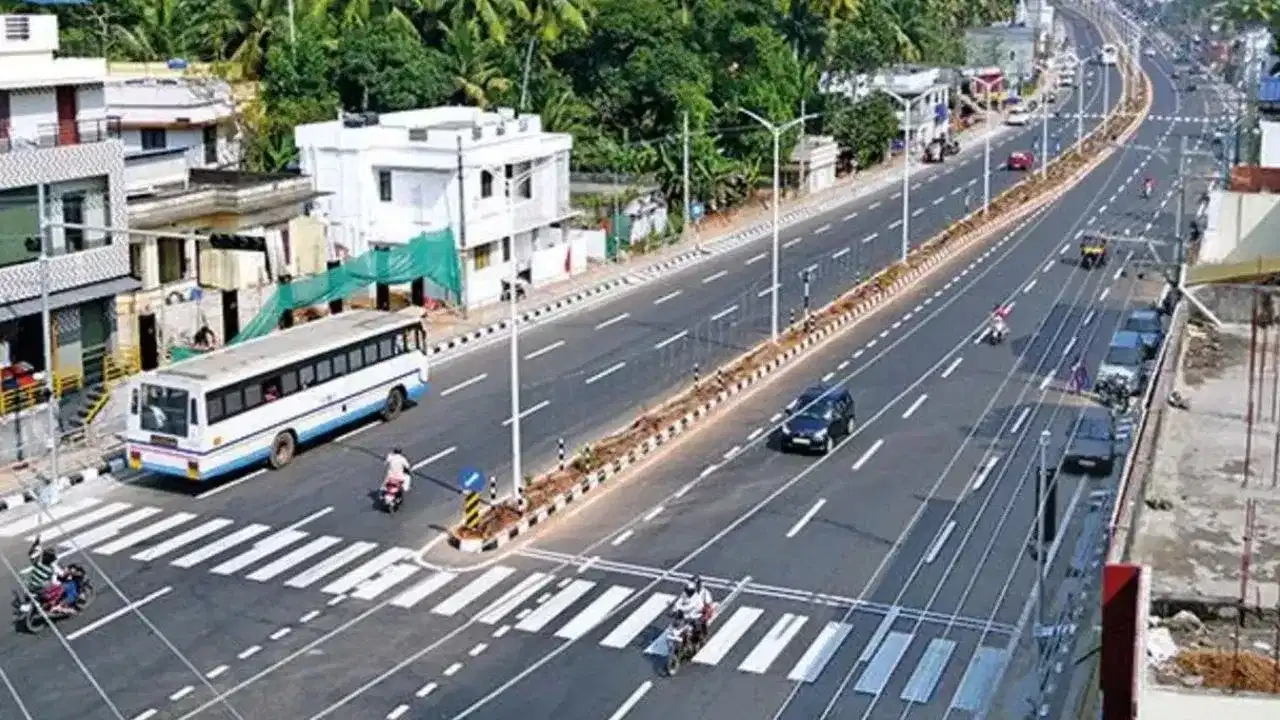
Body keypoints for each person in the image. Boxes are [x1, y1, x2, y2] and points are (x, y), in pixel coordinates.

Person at [26, 544, 75, 614]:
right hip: (40, 589)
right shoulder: (50, 570)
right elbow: (53, 581)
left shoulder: (38, 563)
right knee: (61, 588)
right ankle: (52, 603)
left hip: (31, 586)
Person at [671, 577, 715, 644]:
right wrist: (675, 609)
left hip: (701, 611)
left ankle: (703, 635)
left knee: (701, 622)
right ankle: (677, 631)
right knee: (679, 618)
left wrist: (705, 612)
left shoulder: (705, 592)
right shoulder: (688, 593)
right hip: (691, 611)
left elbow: (708, 605)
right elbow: (680, 601)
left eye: (696, 584)